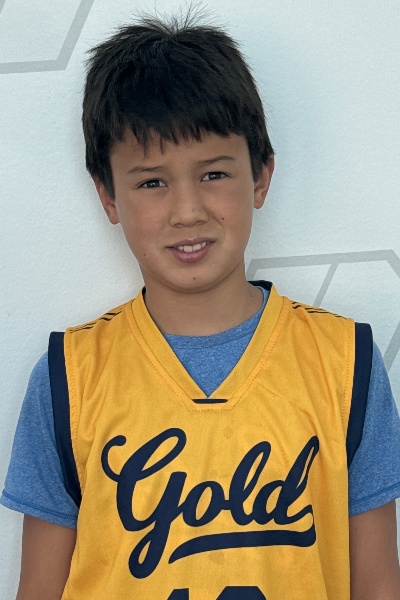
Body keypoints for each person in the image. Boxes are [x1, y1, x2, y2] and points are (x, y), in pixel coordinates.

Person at [2, 6, 400, 600]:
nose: (187, 211)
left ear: (260, 175)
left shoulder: (347, 365)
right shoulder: (69, 378)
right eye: (152, 182)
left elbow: (378, 583)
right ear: (107, 195)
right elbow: (40, 587)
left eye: (213, 174)